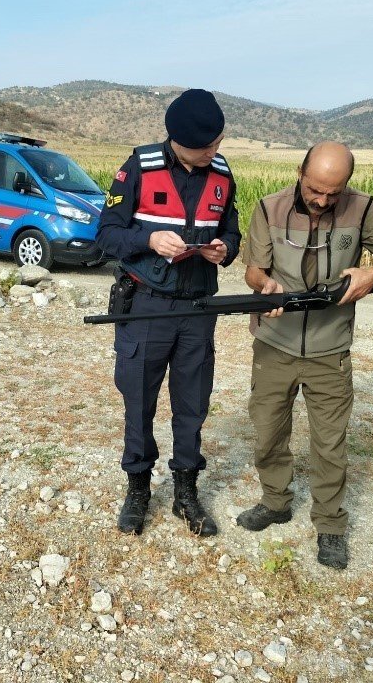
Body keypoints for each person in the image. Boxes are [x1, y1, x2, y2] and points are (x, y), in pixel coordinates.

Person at [237, 141, 373, 568]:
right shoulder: (269, 208)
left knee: (330, 444)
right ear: (300, 172)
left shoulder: (362, 209)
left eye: (333, 193)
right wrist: (262, 284)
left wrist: (372, 274)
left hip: (331, 350)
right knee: (267, 431)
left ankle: (330, 526)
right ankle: (275, 501)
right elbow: (253, 267)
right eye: (315, 189)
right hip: (275, 343)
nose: (323, 200)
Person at [97, 89, 241, 537]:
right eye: (204, 148)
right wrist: (150, 240)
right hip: (146, 307)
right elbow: (107, 234)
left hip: (198, 308)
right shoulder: (138, 167)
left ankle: (186, 492)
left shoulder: (222, 172)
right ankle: (138, 489)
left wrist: (225, 249)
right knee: (139, 400)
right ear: (176, 141)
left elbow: (231, 227)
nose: (213, 153)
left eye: (217, 143)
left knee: (193, 404)